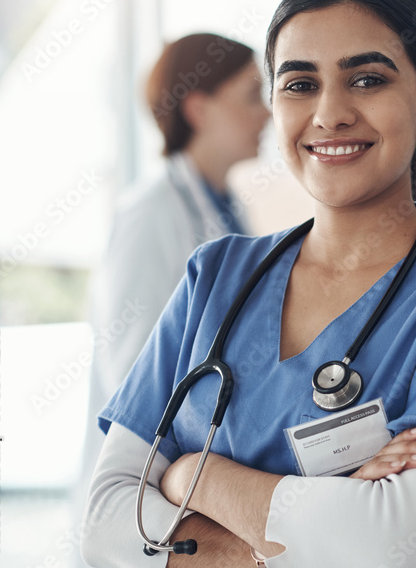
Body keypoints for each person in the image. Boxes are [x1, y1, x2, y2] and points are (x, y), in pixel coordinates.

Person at [80, 0, 416, 567]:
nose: (330, 113)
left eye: (367, 79)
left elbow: (383, 547)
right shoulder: (216, 277)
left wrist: (188, 476)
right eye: (300, 84)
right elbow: (102, 528)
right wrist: (301, 531)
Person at [75, 34, 269, 566]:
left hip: (198, 492)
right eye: (252, 95)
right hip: (148, 495)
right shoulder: (152, 211)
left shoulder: (225, 210)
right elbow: (133, 368)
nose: (269, 114)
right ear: (199, 107)